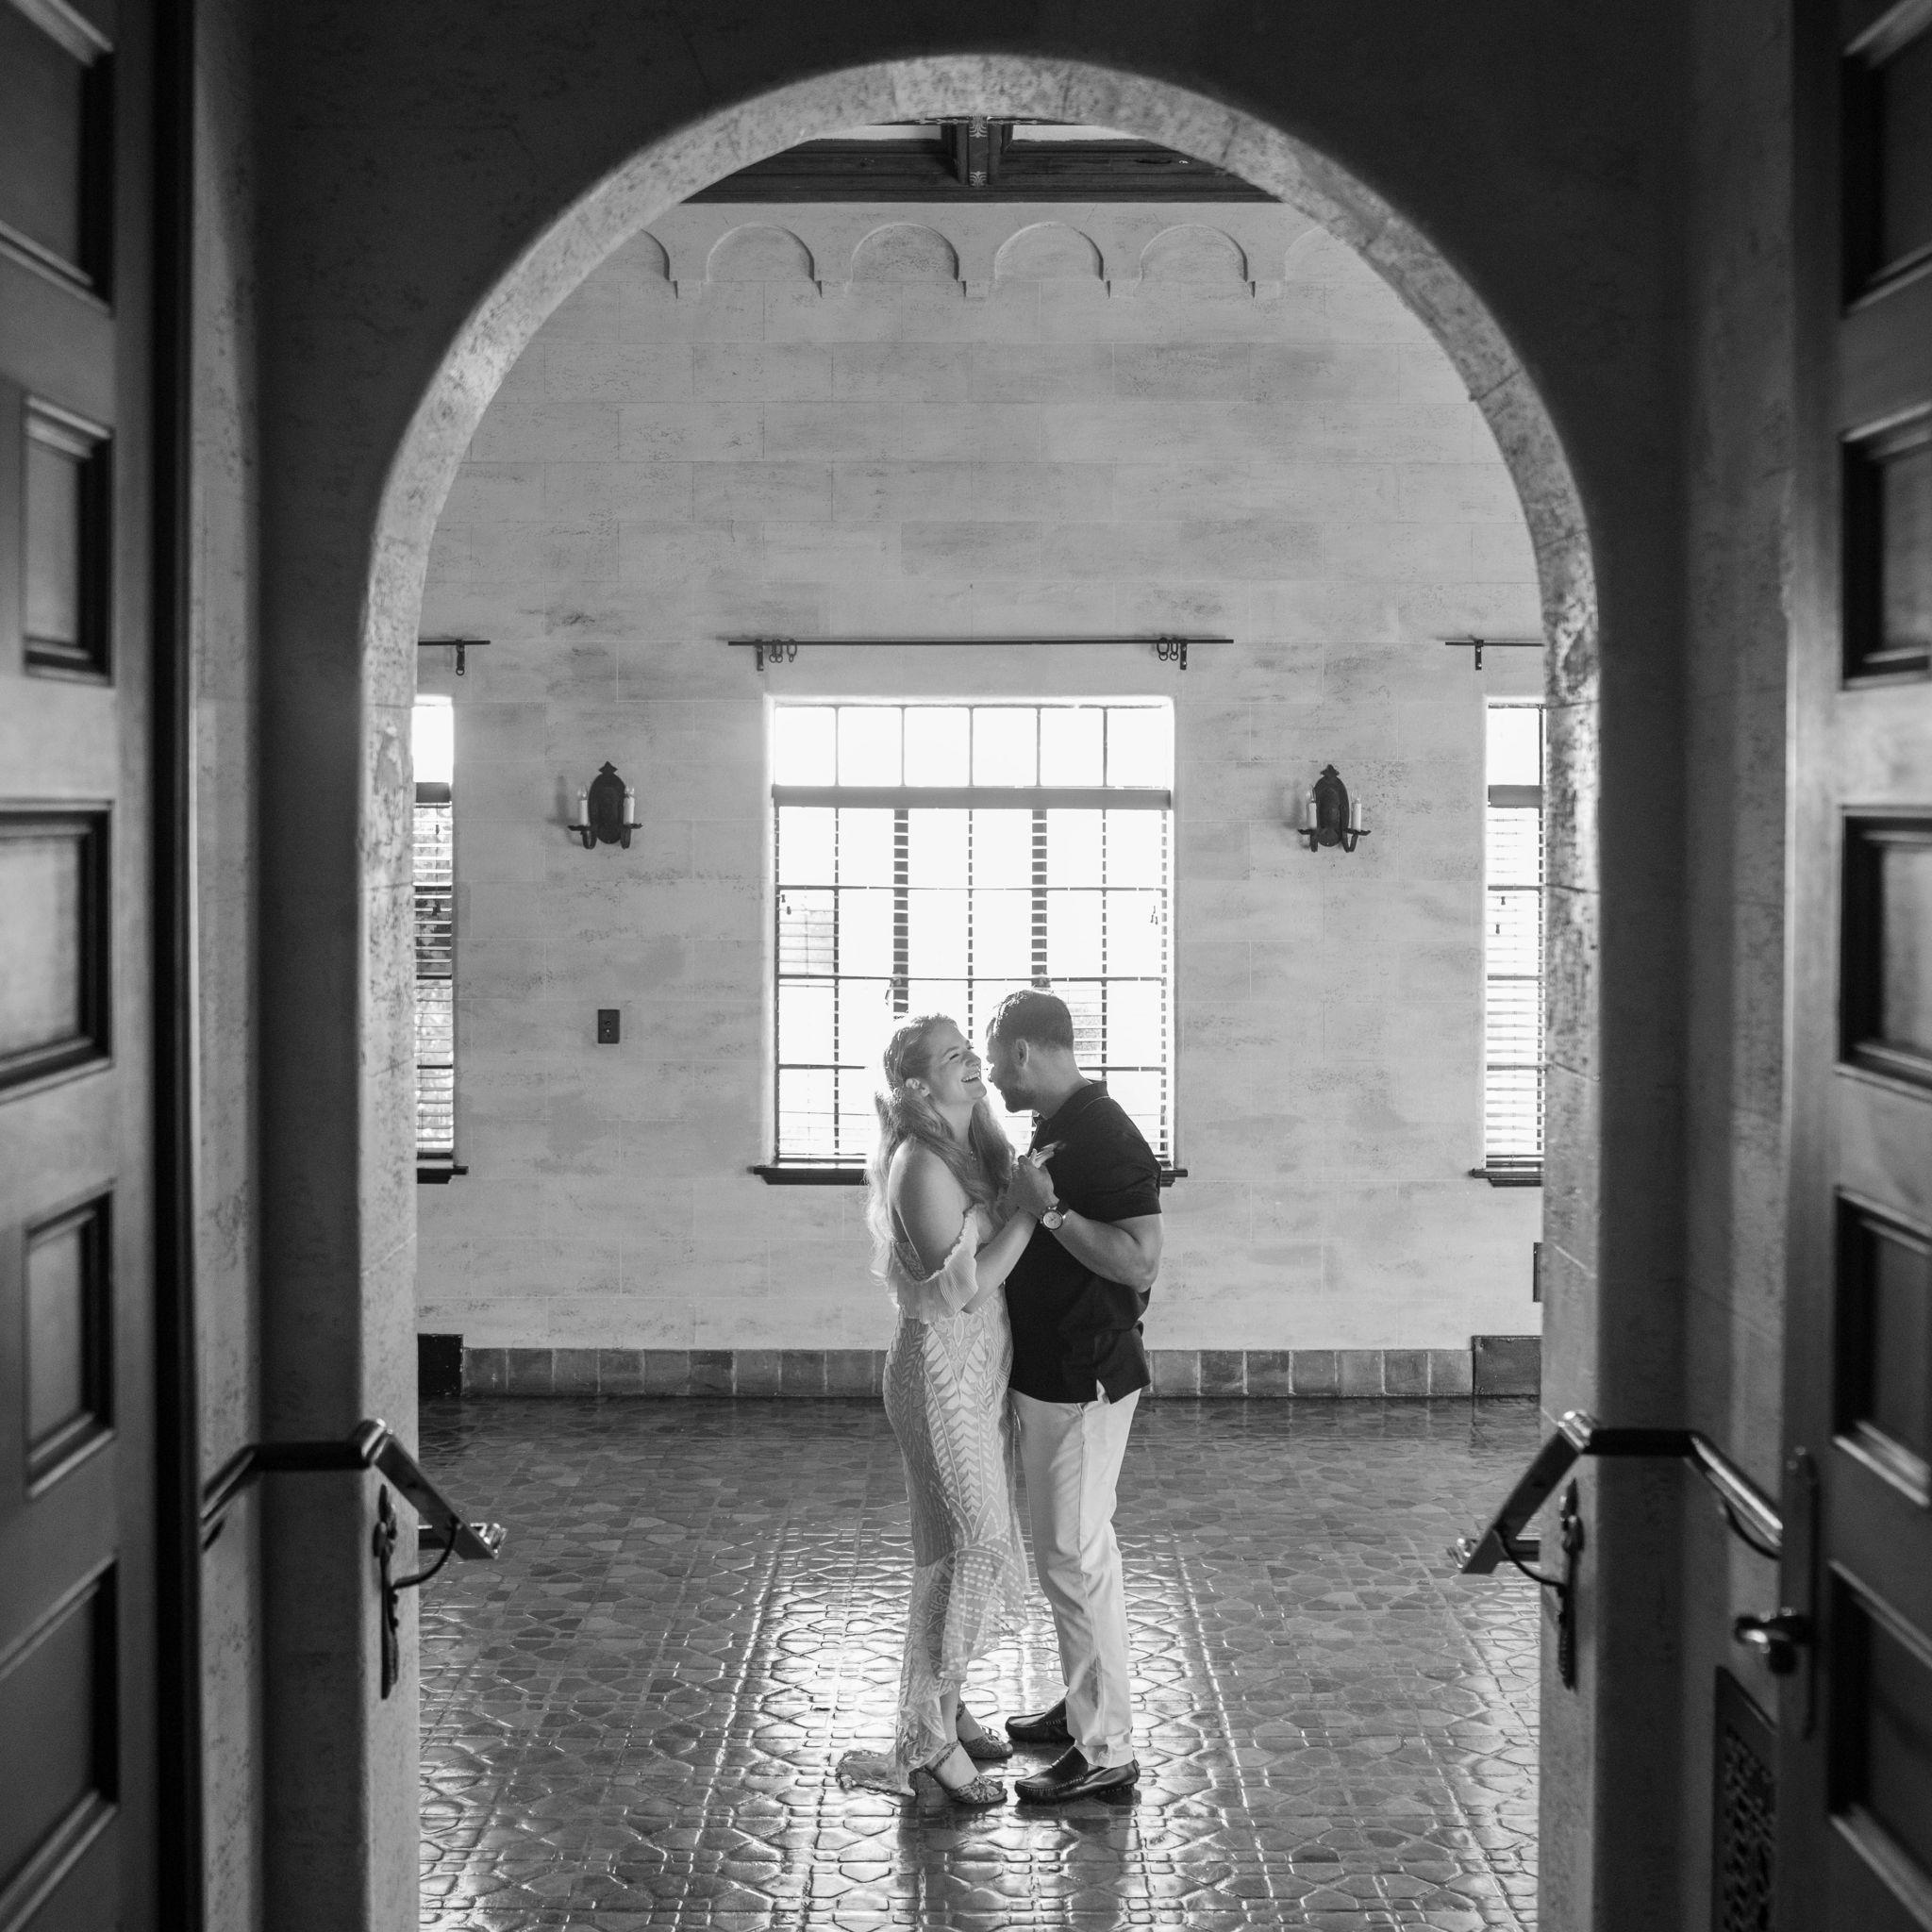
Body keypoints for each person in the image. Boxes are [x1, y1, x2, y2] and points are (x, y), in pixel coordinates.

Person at [835, 1014, 1051, 1807]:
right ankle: (926, 1743)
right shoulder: (919, 1165)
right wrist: (1026, 1212)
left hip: (981, 1373)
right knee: (975, 1545)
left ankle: (946, 1712)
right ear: (918, 1087)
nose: (970, 1061)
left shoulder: (974, 1150)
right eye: (951, 1055)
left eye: (968, 1048)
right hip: (937, 1378)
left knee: (953, 1553)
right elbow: (962, 1288)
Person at [983, 989, 1164, 1804]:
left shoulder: (1105, 1133)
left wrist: (1049, 1211)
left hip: (1083, 1373)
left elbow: (1140, 1260)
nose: (993, 1077)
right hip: (1053, 1370)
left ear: (1023, 1052)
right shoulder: (1062, 1122)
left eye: (996, 1061)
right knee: (1074, 1554)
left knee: (1075, 1558)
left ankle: (1105, 1749)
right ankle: (1084, 1704)